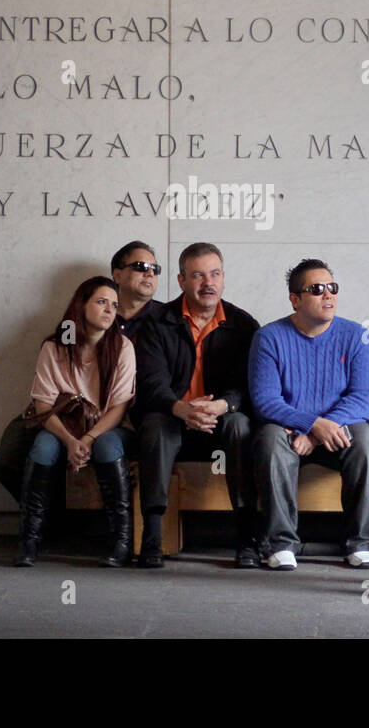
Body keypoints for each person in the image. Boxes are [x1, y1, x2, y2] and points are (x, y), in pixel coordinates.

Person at [250, 260, 369, 570]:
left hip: (337, 430)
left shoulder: (357, 335)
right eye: (316, 289)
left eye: (332, 288)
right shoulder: (270, 337)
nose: (328, 296)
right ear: (295, 299)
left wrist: (317, 431)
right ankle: (281, 544)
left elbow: (363, 399)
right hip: (288, 433)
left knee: (367, 441)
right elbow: (265, 400)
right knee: (269, 439)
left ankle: (360, 543)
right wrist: (310, 424)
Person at [133, 243, 261, 568]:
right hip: (173, 418)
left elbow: (252, 385)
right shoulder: (157, 322)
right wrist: (180, 408)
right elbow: (150, 382)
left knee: (241, 425)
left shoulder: (243, 325)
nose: (208, 282)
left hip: (220, 421)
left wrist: (223, 406)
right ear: (180, 281)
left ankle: (247, 536)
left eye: (215, 274)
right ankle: (152, 535)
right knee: (154, 426)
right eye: (198, 275)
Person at [16, 276, 136, 568]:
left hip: (107, 428)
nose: (110, 310)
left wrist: (87, 440)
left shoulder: (123, 347)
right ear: (81, 305)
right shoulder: (55, 347)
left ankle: (120, 541)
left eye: (114, 305)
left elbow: (118, 409)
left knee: (108, 447)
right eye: (101, 302)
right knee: (43, 448)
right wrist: (70, 441)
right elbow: (43, 404)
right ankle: (29, 539)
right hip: (62, 426)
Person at [110, 240, 167, 340]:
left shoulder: (169, 319)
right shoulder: (88, 312)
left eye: (155, 269)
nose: (150, 273)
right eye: (141, 266)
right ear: (118, 275)